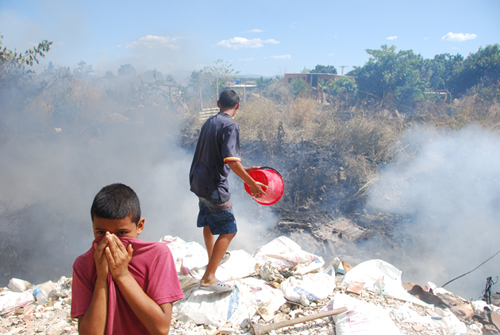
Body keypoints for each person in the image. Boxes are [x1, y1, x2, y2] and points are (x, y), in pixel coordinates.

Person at [71, 183, 184, 335]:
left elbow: (161, 328)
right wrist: (102, 278)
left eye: (122, 233)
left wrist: (122, 275)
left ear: (140, 226)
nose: (110, 241)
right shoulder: (84, 265)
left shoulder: (157, 256)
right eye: (100, 232)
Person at [189, 89, 266, 292]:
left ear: (217, 103)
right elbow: (231, 160)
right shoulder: (231, 125)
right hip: (214, 186)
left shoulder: (210, 122)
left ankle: (212, 258)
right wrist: (251, 182)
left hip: (199, 182)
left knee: (209, 220)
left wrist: (244, 169)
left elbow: (219, 157)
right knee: (229, 229)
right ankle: (209, 278)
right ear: (237, 106)